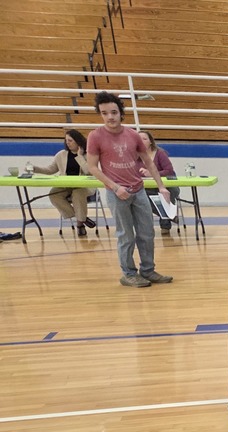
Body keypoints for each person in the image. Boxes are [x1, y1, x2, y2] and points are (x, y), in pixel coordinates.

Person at [86, 92, 173, 288]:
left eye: (114, 112)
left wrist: (161, 186)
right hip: (117, 194)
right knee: (126, 235)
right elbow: (92, 167)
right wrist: (115, 188)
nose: (110, 117)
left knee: (147, 232)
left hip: (138, 190)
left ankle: (148, 270)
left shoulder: (133, 135)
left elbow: (149, 162)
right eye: (105, 113)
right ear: (100, 114)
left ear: (121, 113)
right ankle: (128, 273)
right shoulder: (95, 136)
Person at [33, 129, 95, 237]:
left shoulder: (87, 154)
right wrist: (35, 169)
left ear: (78, 141)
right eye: (66, 140)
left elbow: (89, 171)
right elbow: (50, 170)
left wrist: (80, 157)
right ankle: (81, 218)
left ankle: (80, 224)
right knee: (54, 194)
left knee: (77, 194)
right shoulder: (61, 154)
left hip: (84, 187)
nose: (67, 143)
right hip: (66, 186)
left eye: (70, 140)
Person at [138, 130, 180, 234]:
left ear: (150, 141)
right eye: (139, 139)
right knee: (139, 196)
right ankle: (169, 215)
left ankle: (165, 224)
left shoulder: (160, 153)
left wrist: (152, 173)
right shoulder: (134, 155)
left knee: (168, 193)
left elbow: (168, 170)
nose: (142, 141)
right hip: (147, 186)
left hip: (165, 184)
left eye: (144, 139)